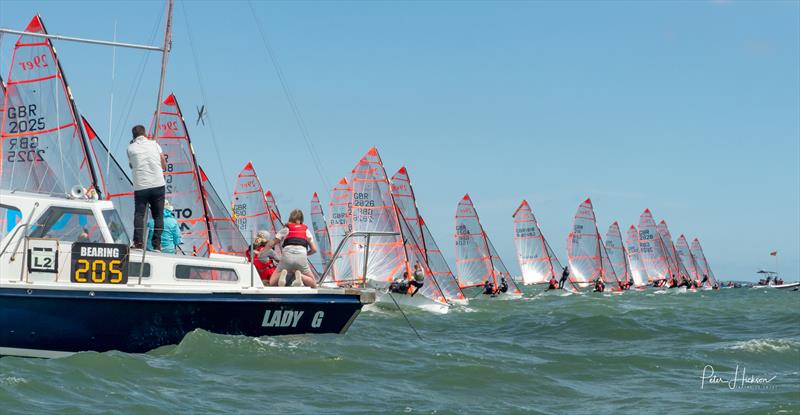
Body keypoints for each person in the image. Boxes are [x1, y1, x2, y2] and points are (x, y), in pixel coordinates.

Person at [127, 124, 167, 251]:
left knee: (139, 214)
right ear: (145, 134)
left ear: (133, 137)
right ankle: (157, 245)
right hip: (157, 184)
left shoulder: (130, 148)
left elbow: (132, 166)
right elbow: (164, 165)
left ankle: (138, 243)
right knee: (158, 216)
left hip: (141, 186)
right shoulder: (155, 144)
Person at [263, 209, 318, 288]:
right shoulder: (306, 230)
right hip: (301, 257)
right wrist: (306, 254)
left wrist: (262, 253)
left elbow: (271, 243)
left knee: (272, 282)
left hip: (287, 258)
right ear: (301, 219)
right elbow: (314, 250)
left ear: (290, 218)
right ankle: (299, 276)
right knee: (313, 283)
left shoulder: (286, 229)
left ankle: (282, 274)